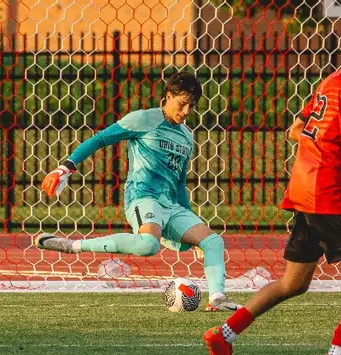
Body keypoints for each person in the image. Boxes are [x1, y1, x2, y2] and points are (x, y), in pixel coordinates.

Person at [204, 14, 341, 355]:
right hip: (327, 193)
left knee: (293, 282)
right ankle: (337, 354)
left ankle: (224, 334)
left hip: (303, 187)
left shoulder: (331, 81)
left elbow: (295, 130)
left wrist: (322, 146)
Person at [36, 71, 234, 310]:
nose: (185, 112)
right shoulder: (143, 119)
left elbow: (180, 184)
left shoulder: (186, 137)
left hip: (171, 206)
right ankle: (73, 246)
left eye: (191, 106)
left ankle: (217, 299)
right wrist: (66, 167)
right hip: (143, 198)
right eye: (182, 104)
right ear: (168, 96)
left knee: (212, 242)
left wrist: (193, 234)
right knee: (148, 245)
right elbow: (100, 139)